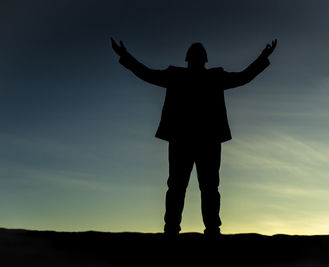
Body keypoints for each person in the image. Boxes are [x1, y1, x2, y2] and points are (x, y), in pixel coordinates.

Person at [111, 38, 277, 237]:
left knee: (196, 187)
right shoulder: (189, 76)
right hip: (194, 139)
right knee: (188, 187)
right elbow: (147, 73)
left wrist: (262, 57)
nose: (196, 59)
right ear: (200, 59)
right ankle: (184, 229)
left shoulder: (199, 76)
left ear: (193, 58)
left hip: (197, 139)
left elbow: (243, 77)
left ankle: (191, 229)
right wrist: (125, 56)